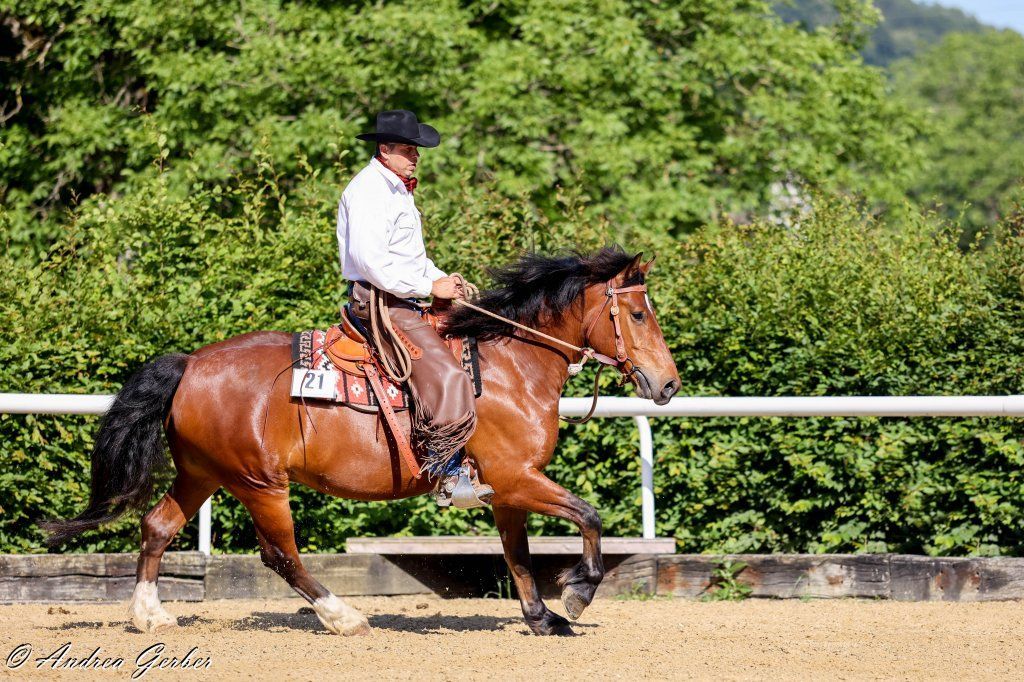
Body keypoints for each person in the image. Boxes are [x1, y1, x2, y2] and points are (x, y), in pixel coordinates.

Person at [336, 109, 492, 508]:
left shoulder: (395, 189)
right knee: (448, 374)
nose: (416, 156)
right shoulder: (369, 190)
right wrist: (429, 286)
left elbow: (411, 259)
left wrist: (443, 280)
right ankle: (448, 471)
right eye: (408, 149)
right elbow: (370, 262)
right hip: (380, 302)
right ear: (384, 149)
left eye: (416, 149)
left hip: (399, 296)